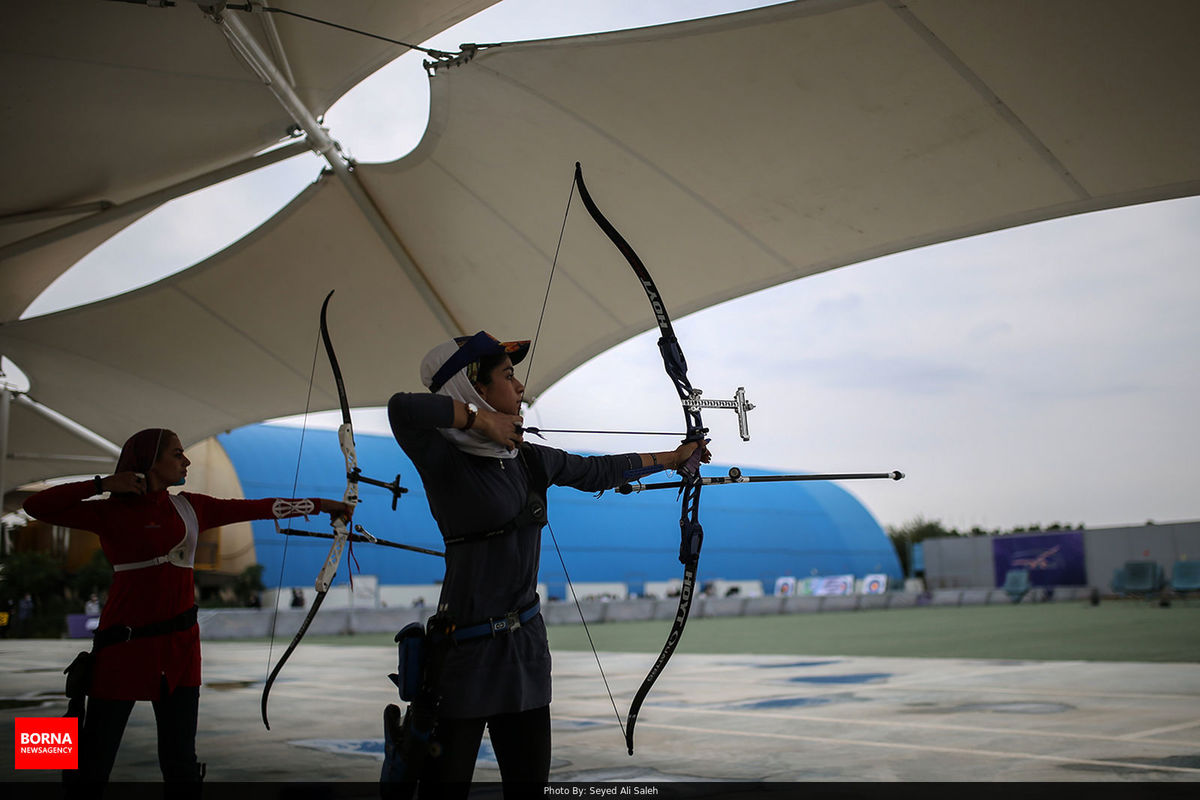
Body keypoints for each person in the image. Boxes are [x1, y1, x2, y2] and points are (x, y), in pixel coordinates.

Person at [385, 332, 708, 794]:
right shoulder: (444, 459)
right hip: (464, 656)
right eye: (508, 376)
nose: (520, 389)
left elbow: (599, 470)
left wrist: (676, 457)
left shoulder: (528, 460)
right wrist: (482, 422)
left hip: (526, 654)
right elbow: (402, 409)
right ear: (470, 387)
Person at [22, 428, 352, 788]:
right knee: (94, 760)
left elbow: (258, 508)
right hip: (123, 649)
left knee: (181, 763)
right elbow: (35, 506)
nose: (187, 461)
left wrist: (324, 505)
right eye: (177, 454)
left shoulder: (190, 506)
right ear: (150, 461)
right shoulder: (109, 512)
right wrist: (103, 484)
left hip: (180, 652)